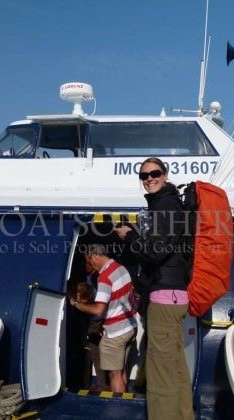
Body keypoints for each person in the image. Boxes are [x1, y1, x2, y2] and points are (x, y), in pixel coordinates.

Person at [114, 157, 194, 420]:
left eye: (154, 173)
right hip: (173, 295)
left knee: (161, 376)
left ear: (165, 174)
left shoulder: (167, 206)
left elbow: (154, 253)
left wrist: (130, 236)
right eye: (144, 176)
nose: (149, 178)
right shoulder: (168, 205)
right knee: (176, 369)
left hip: (164, 297)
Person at [70, 244, 137, 393]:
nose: (90, 265)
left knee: (114, 375)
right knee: (121, 372)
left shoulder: (105, 277)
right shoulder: (121, 268)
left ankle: (118, 409)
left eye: (89, 261)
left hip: (116, 332)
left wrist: (76, 304)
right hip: (129, 327)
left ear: (95, 256)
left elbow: (98, 310)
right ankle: (124, 404)